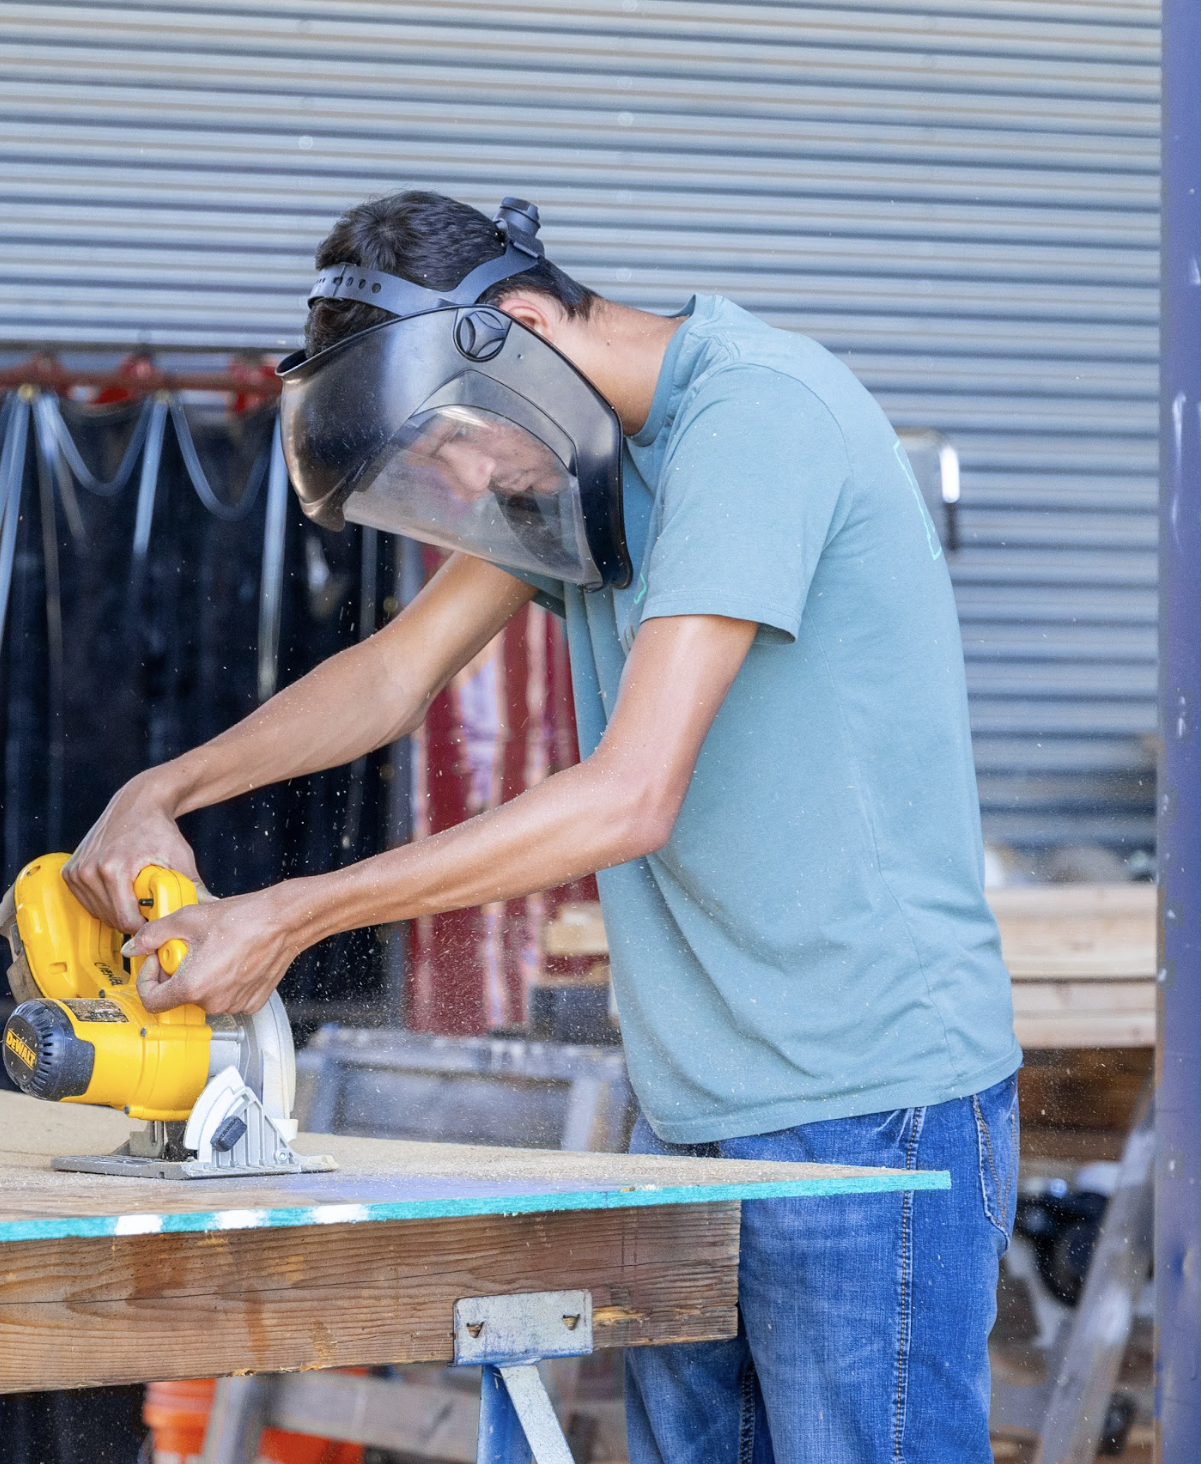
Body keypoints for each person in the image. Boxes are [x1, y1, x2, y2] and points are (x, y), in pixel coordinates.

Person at [64, 190, 1021, 1462]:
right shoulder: (574, 456)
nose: (462, 483)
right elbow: (394, 676)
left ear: (518, 326)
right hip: (691, 1098)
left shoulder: (754, 418)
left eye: (452, 442)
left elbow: (631, 793)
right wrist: (159, 792)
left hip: (864, 1101)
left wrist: (290, 915)